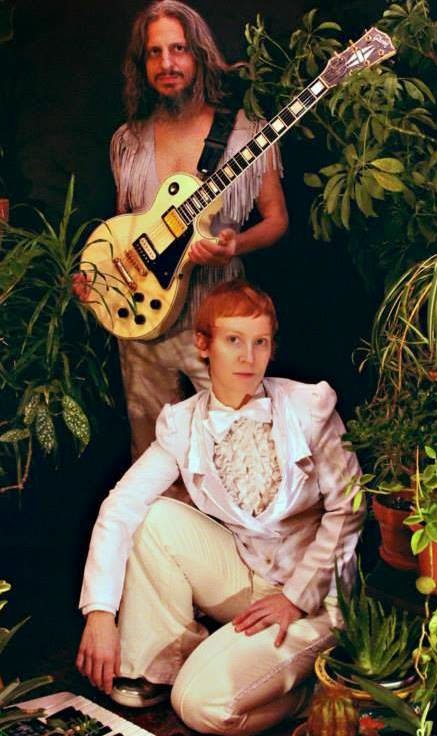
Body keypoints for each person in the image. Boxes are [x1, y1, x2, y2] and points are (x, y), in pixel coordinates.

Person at [76, 280, 364, 735]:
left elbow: (349, 507)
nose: (248, 357)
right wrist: (99, 613)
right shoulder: (184, 423)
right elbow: (121, 506)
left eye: (260, 342)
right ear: (204, 345)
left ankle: (310, 694)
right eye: (233, 340)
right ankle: (159, 667)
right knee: (153, 517)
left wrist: (295, 598)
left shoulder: (308, 407)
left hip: (313, 599)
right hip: (246, 578)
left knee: (201, 707)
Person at [73, 0, 288, 461]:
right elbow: (125, 229)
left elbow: (276, 220)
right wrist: (101, 280)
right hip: (144, 323)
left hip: (221, 316)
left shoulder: (246, 135)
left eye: (178, 49)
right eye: (154, 52)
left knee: (239, 449)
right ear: (142, 63)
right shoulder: (129, 141)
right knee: (152, 456)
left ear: (200, 55)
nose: (166, 63)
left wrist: (235, 245)